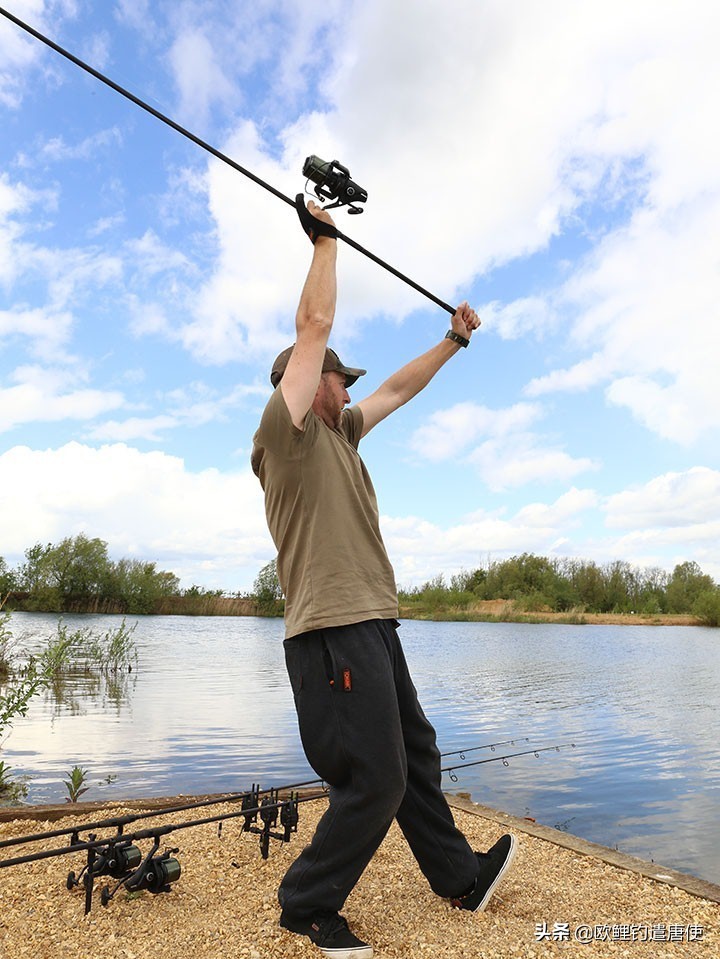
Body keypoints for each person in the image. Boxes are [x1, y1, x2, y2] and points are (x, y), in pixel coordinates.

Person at [251, 199, 515, 959]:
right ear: (311, 384)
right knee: (376, 778)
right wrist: (326, 242)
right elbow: (314, 329)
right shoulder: (287, 433)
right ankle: (307, 903)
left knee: (415, 758)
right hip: (330, 629)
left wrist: (453, 342)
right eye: (341, 379)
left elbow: (399, 388)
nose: (351, 388)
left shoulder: (343, 433)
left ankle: (461, 877)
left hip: (372, 620)